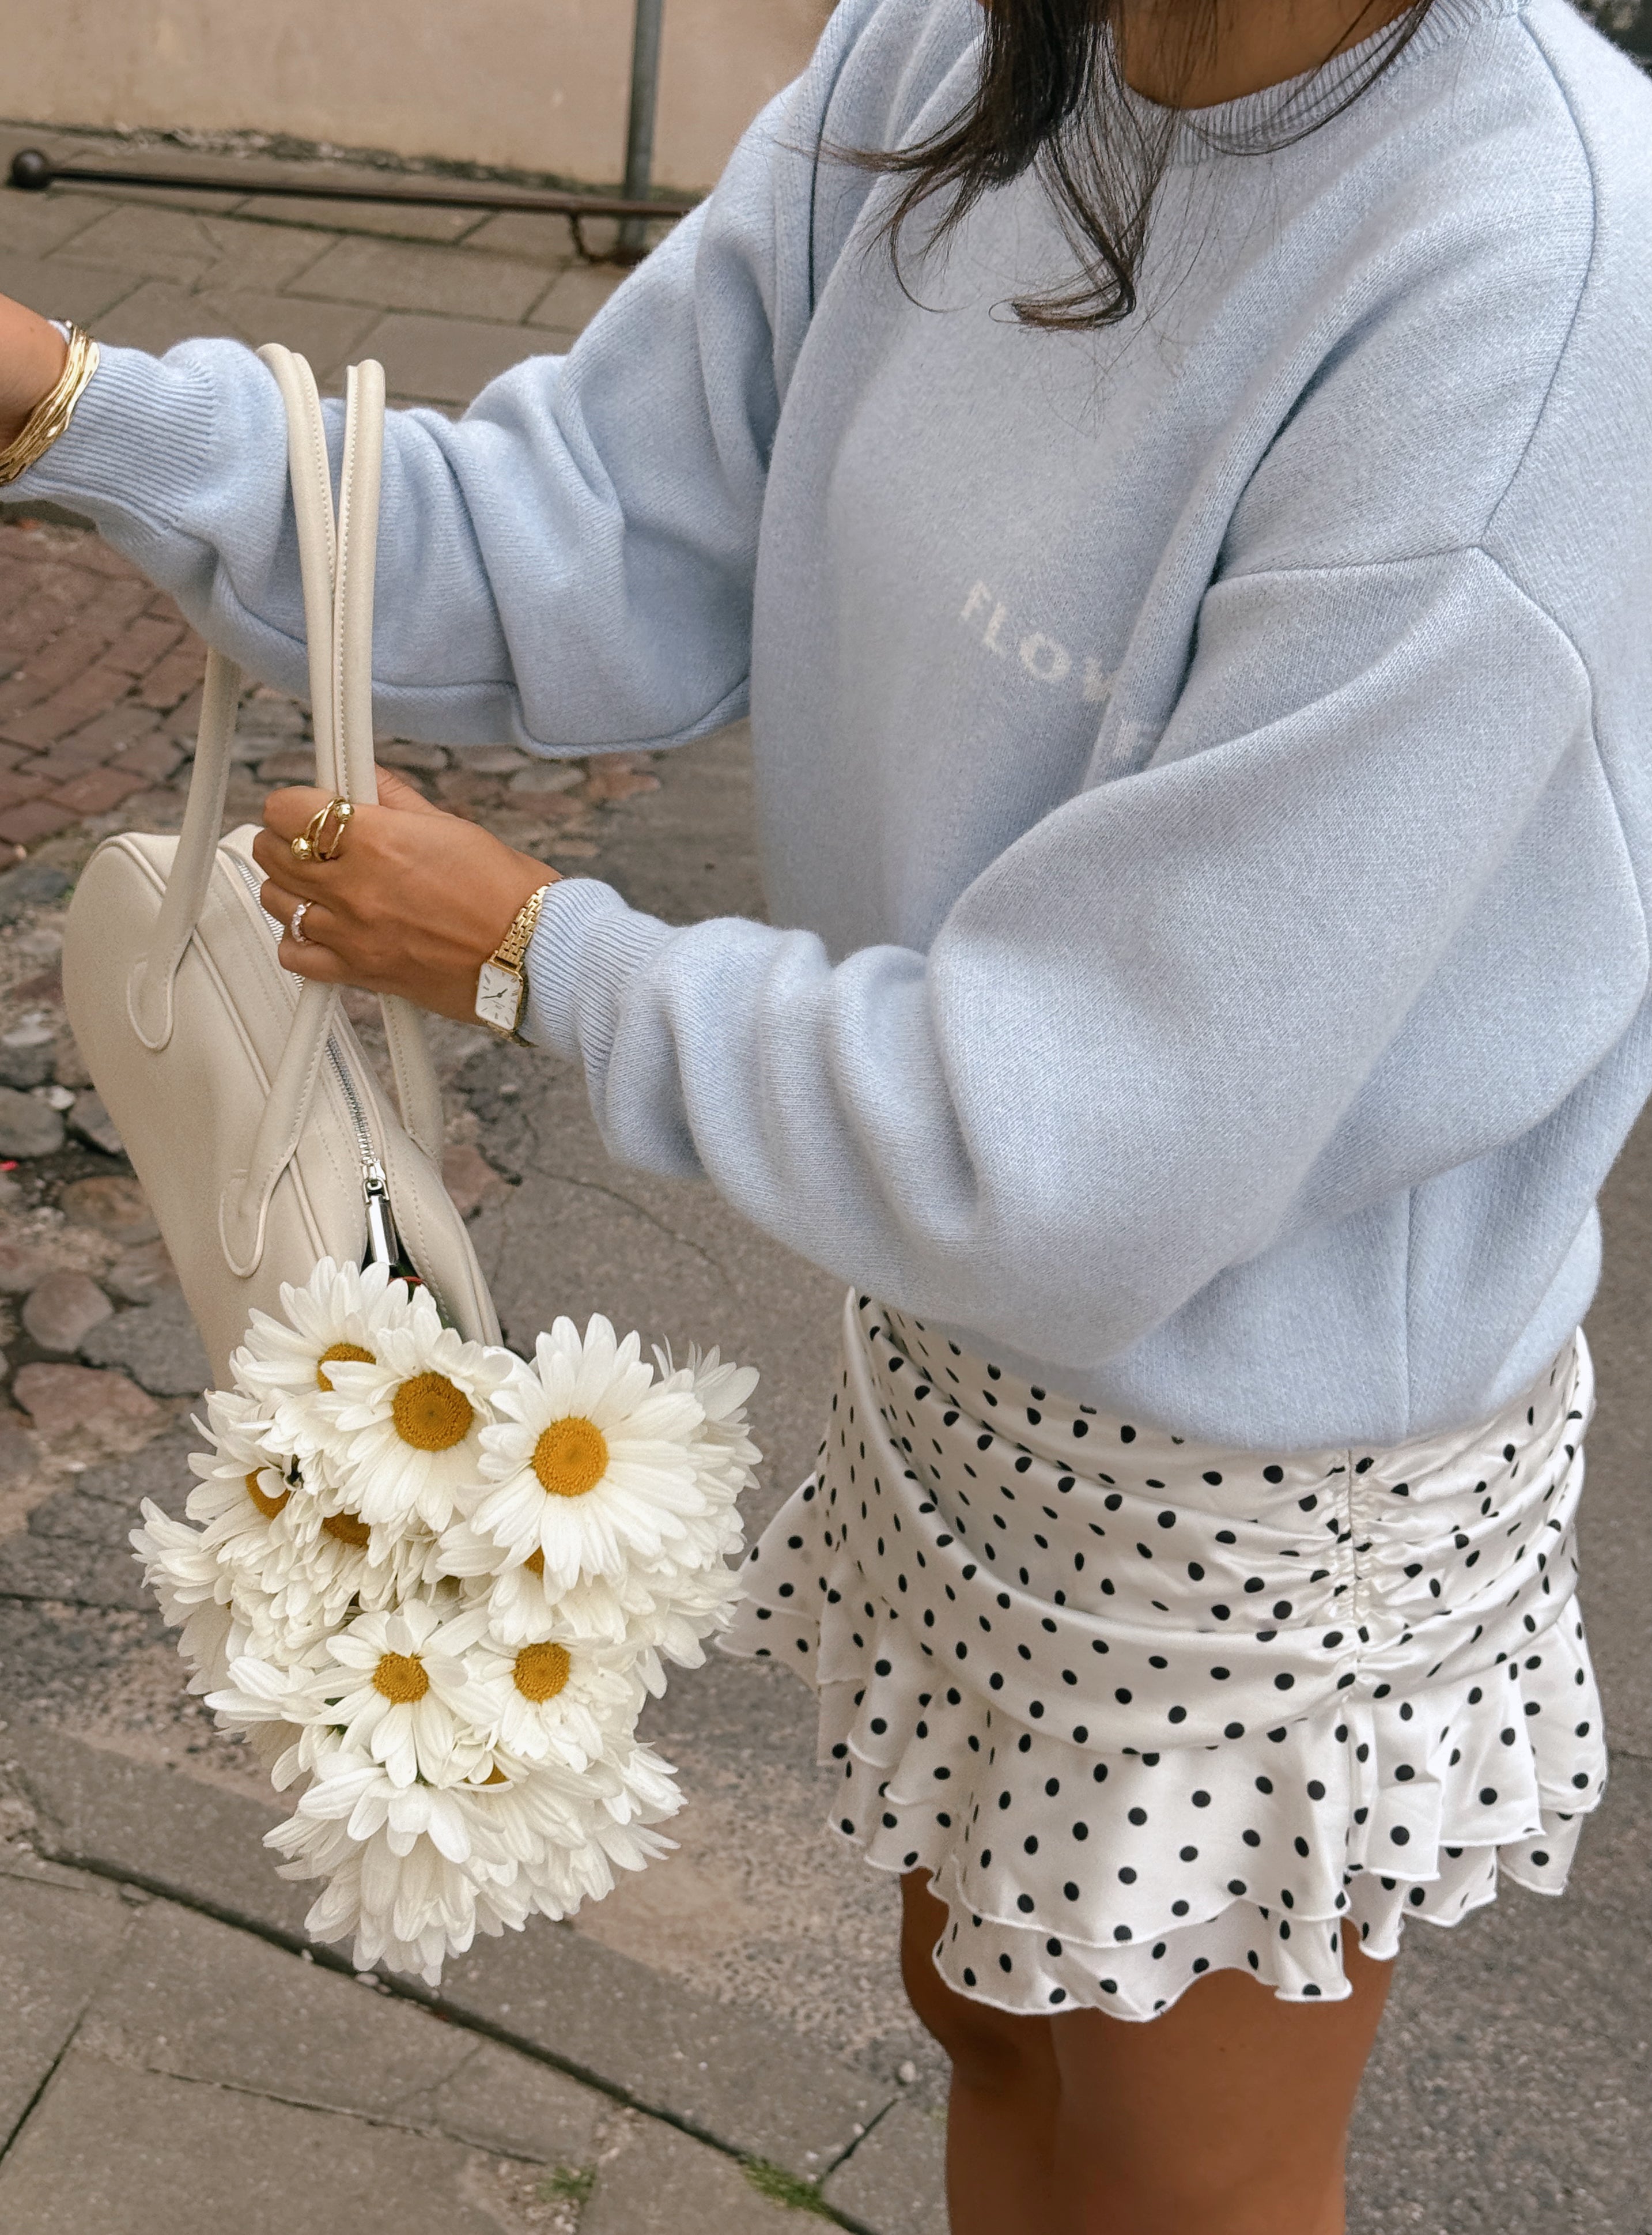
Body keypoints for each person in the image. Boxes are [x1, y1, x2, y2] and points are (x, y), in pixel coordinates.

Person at [1, 1, 1646, 2226]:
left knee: (1185, 2184)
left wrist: (543, 953)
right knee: (978, 2015)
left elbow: (1096, 1132)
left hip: (1275, 1483)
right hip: (957, 1374)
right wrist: (76, 406)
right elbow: (586, 534)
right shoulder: (954, 53)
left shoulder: (1528, 275)